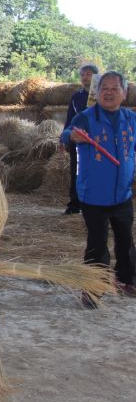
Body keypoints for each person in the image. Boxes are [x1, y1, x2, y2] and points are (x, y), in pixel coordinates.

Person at [60, 71, 136, 308]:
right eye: (104, 88)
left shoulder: (130, 119)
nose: (109, 92)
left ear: (124, 93)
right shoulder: (86, 117)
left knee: (125, 242)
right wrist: (72, 135)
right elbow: (65, 135)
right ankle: (93, 288)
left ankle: (126, 280)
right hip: (93, 196)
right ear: (97, 92)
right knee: (97, 245)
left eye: (115, 88)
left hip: (123, 194)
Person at [62, 64, 99, 214]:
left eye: (88, 74)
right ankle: (75, 204)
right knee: (76, 171)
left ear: (96, 77)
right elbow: (70, 118)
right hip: (78, 140)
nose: (85, 77)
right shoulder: (76, 97)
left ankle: (96, 203)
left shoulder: (102, 96)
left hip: (98, 141)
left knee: (98, 171)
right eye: (83, 75)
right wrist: (64, 138)